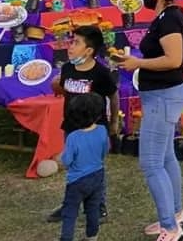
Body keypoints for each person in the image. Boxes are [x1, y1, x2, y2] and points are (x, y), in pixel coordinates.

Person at [114, 0, 183, 241]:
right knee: (166, 156)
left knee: (151, 163)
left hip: (163, 96)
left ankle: (170, 227)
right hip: (162, 95)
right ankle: (176, 214)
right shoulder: (166, 16)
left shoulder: (169, 19)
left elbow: (172, 59)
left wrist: (138, 63)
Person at [49, 26, 119, 223]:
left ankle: (98, 206)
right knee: (74, 168)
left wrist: (114, 121)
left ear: (89, 51)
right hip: (71, 128)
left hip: (94, 130)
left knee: (94, 168)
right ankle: (69, 204)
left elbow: (113, 95)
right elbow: (64, 89)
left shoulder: (100, 73)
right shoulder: (68, 68)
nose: (70, 46)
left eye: (76, 43)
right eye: (71, 42)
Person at [57, 93, 108, 241]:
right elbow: (105, 151)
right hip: (98, 175)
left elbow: (67, 161)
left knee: (70, 212)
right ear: (99, 114)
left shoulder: (73, 137)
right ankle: (92, 236)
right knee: (92, 208)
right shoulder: (102, 130)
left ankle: (66, 238)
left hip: (77, 181)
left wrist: (60, 159)